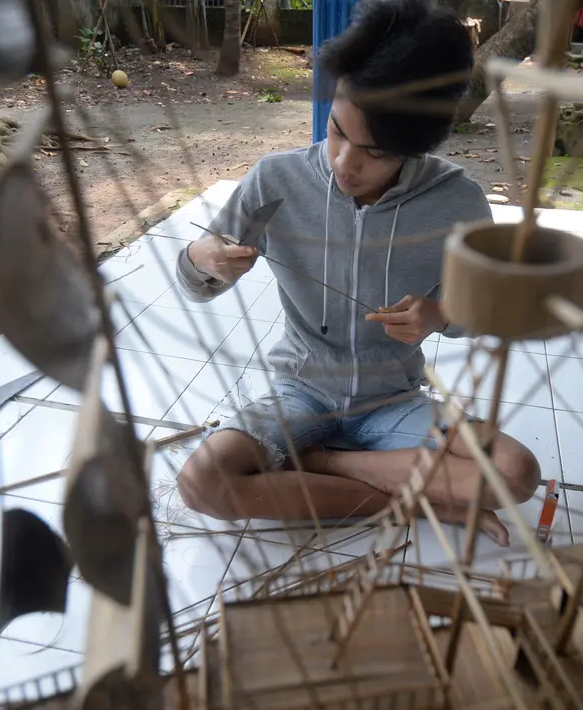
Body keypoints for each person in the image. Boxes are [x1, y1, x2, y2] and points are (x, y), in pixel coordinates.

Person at [173, 0, 540, 546]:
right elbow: (196, 281)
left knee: (515, 473)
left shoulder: (457, 202)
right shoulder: (275, 180)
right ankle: (417, 502)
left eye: (374, 151)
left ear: (413, 149)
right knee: (203, 481)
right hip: (301, 392)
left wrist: (440, 315)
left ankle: (324, 464)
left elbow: (487, 307)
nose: (345, 162)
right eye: (336, 131)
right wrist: (202, 259)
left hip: (392, 400)